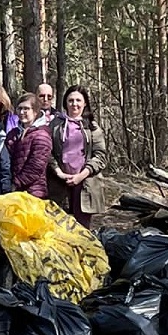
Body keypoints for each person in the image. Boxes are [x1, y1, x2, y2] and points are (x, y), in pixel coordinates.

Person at [47, 85, 108, 229]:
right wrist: (58, 172)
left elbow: (100, 157)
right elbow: (47, 151)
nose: (74, 104)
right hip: (59, 184)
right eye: (71, 100)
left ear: (85, 103)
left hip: (85, 184)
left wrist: (81, 175)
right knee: (59, 228)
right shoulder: (55, 125)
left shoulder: (92, 127)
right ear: (65, 103)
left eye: (78, 100)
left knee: (82, 229)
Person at [5, 93, 53, 198]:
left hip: (34, 191)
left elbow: (36, 167)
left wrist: (15, 183)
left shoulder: (42, 135)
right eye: (19, 108)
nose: (22, 112)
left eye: (26, 109)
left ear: (35, 111)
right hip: (13, 190)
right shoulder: (13, 133)